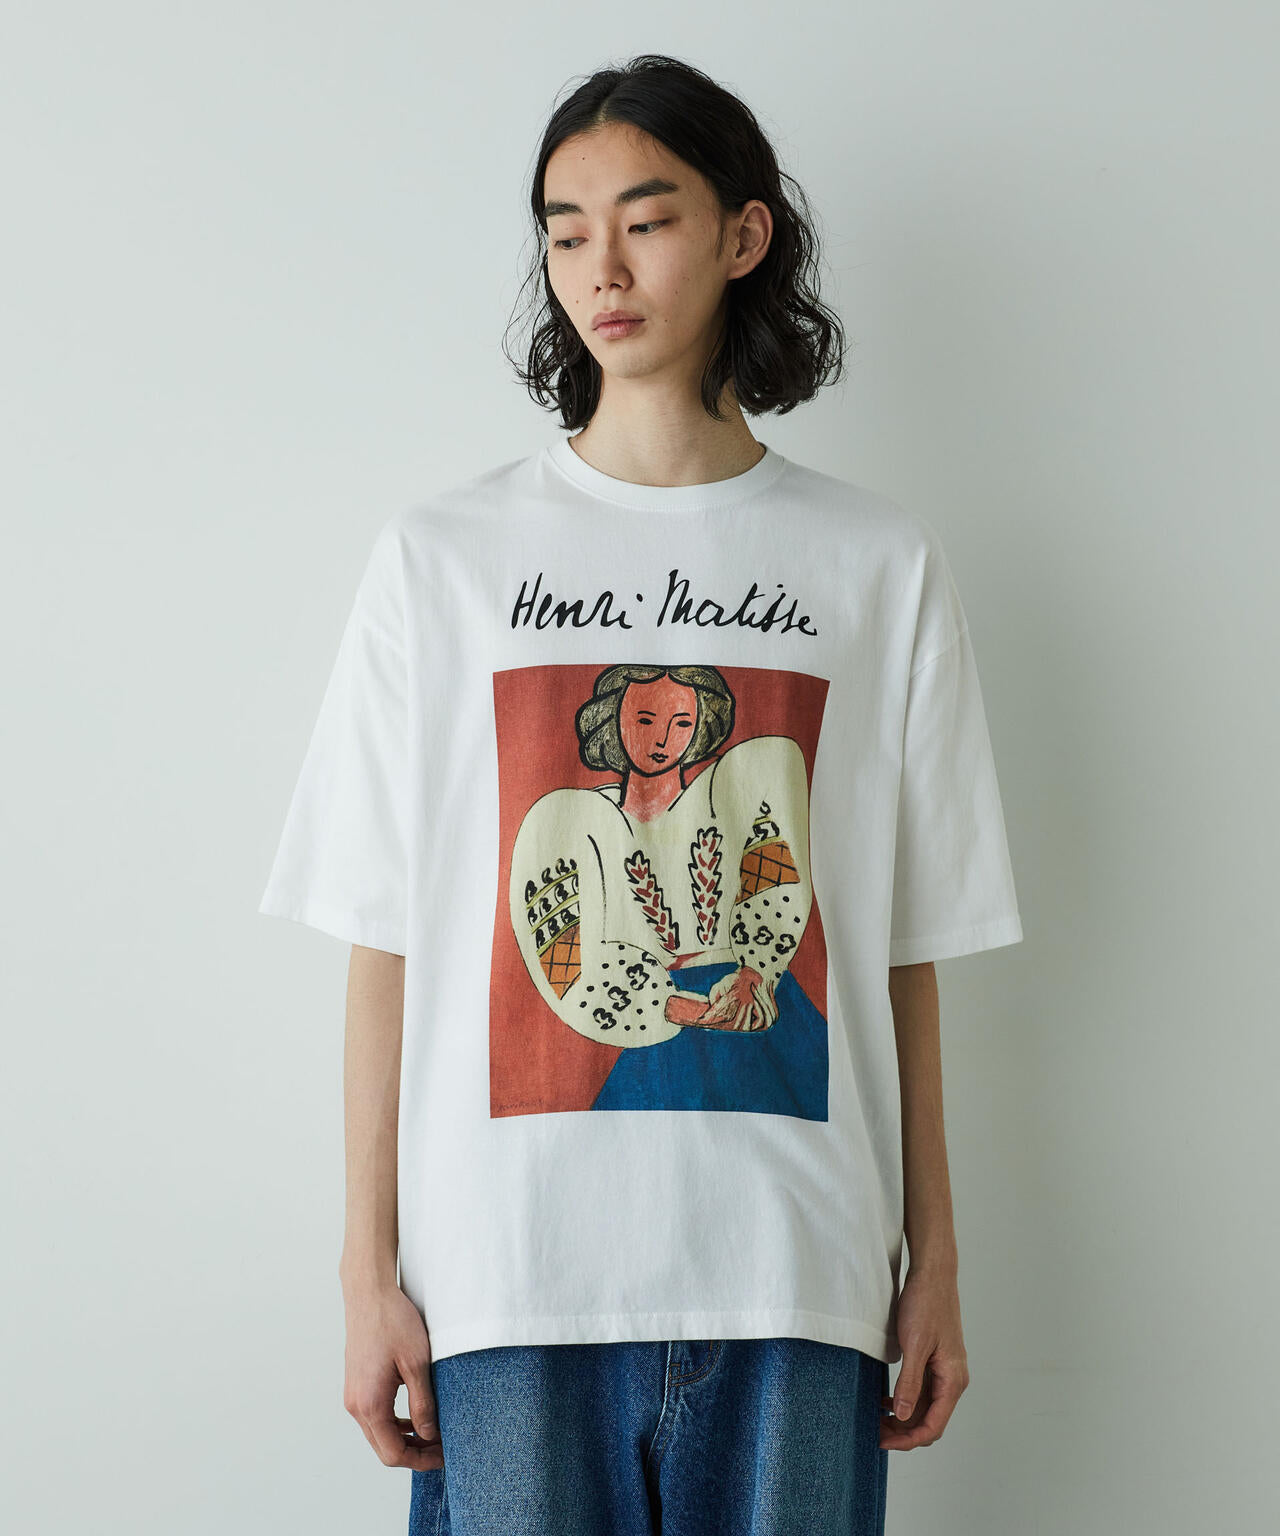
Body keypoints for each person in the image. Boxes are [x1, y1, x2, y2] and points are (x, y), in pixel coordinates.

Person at [258, 53, 1023, 1536]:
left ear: (744, 235)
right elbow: (385, 939)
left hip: (798, 1267)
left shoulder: (875, 563)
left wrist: (934, 1258)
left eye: (646, 220)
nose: (599, 268)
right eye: (565, 232)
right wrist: (366, 1275)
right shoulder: (443, 560)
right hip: (506, 1279)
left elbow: (900, 951)